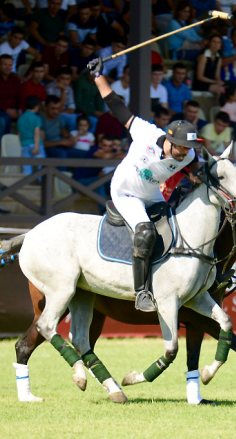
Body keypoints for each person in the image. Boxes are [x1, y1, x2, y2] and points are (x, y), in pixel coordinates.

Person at [88, 56, 201, 312]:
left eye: (189, 148)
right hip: (125, 192)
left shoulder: (190, 156)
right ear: (169, 140)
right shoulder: (146, 133)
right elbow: (116, 105)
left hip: (151, 194)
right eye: (182, 148)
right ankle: (142, 293)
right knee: (146, 232)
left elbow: (201, 173)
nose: (185, 154)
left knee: (173, 230)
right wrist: (98, 77)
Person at [72, 134, 126, 211]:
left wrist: (113, 154)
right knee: (99, 181)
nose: (107, 148)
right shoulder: (94, 149)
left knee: (114, 182)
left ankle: (120, 209)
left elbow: (124, 155)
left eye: (110, 146)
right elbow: (105, 156)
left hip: (94, 182)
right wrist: (115, 154)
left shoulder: (112, 152)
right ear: (100, 144)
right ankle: (104, 210)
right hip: (78, 183)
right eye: (104, 145)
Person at [41, 95, 87, 160]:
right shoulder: (40, 119)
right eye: (52, 109)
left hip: (62, 147)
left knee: (85, 154)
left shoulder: (58, 117)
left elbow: (63, 131)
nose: (56, 111)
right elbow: (42, 144)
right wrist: (61, 142)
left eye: (58, 109)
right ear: (45, 107)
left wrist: (69, 137)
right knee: (61, 154)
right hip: (49, 148)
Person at [17, 96, 46, 174]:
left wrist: (21, 145)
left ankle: (26, 185)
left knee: (26, 167)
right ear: (36, 106)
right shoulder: (36, 118)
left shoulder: (20, 118)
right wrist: (36, 147)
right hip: (35, 144)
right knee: (41, 166)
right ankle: (42, 184)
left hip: (24, 145)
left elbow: (19, 134)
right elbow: (37, 133)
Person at [45, 66, 77, 131]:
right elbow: (55, 108)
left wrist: (62, 112)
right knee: (72, 120)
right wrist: (63, 91)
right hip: (52, 114)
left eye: (67, 79)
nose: (65, 81)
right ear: (58, 77)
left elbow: (72, 109)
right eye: (63, 78)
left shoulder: (69, 89)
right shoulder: (50, 87)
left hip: (63, 113)